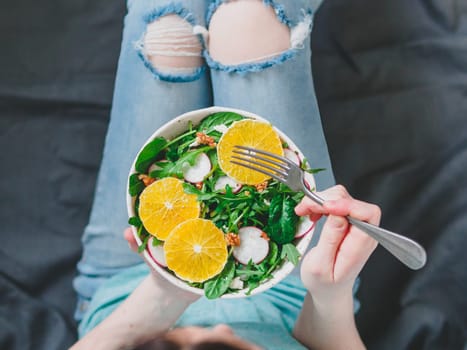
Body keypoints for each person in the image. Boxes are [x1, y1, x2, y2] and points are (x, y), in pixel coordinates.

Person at [71, 0, 379, 348]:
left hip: (130, 284)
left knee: (167, 27)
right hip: (294, 289)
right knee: (248, 20)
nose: (224, 330)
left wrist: (164, 292)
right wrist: (330, 293)